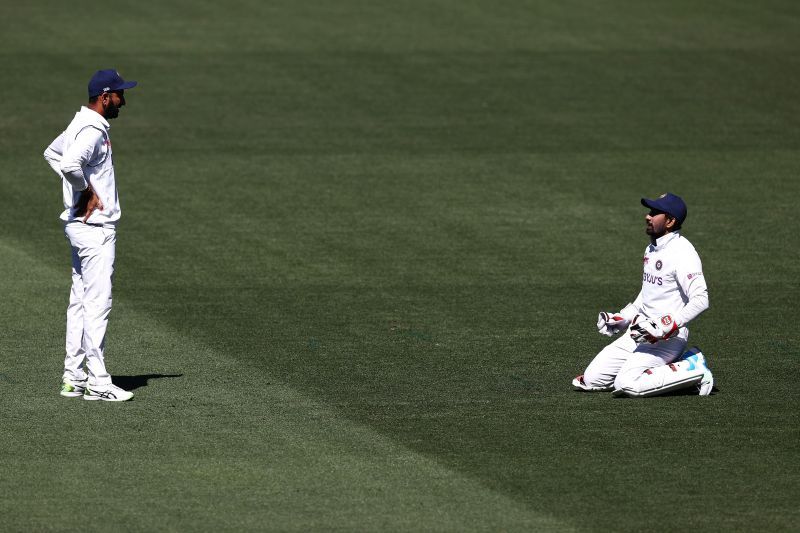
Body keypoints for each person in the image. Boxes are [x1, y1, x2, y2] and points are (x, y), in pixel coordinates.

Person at [43, 69, 137, 401]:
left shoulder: (79, 123)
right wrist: (86, 191)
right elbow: (69, 164)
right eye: (120, 95)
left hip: (79, 227)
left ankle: (73, 377)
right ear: (104, 96)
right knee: (97, 304)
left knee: (80, 302)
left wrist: (81, 190)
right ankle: (98, 382)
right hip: (94, 230)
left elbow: (52, 153)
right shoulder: (92, 129)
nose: (123, 101)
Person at [572, 193, 714, 397]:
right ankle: (655, 368)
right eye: (650, 211)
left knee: (626, 384)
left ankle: (692, 365)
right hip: (639, 332)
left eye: (655, 213)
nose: (648, 216)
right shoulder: (652, 248)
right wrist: (623, 317)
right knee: (592, 379)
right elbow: (648, 294)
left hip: (668, 339)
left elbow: (701, 299)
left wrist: (665, 325)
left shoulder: (683, 253)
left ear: (670, 221)